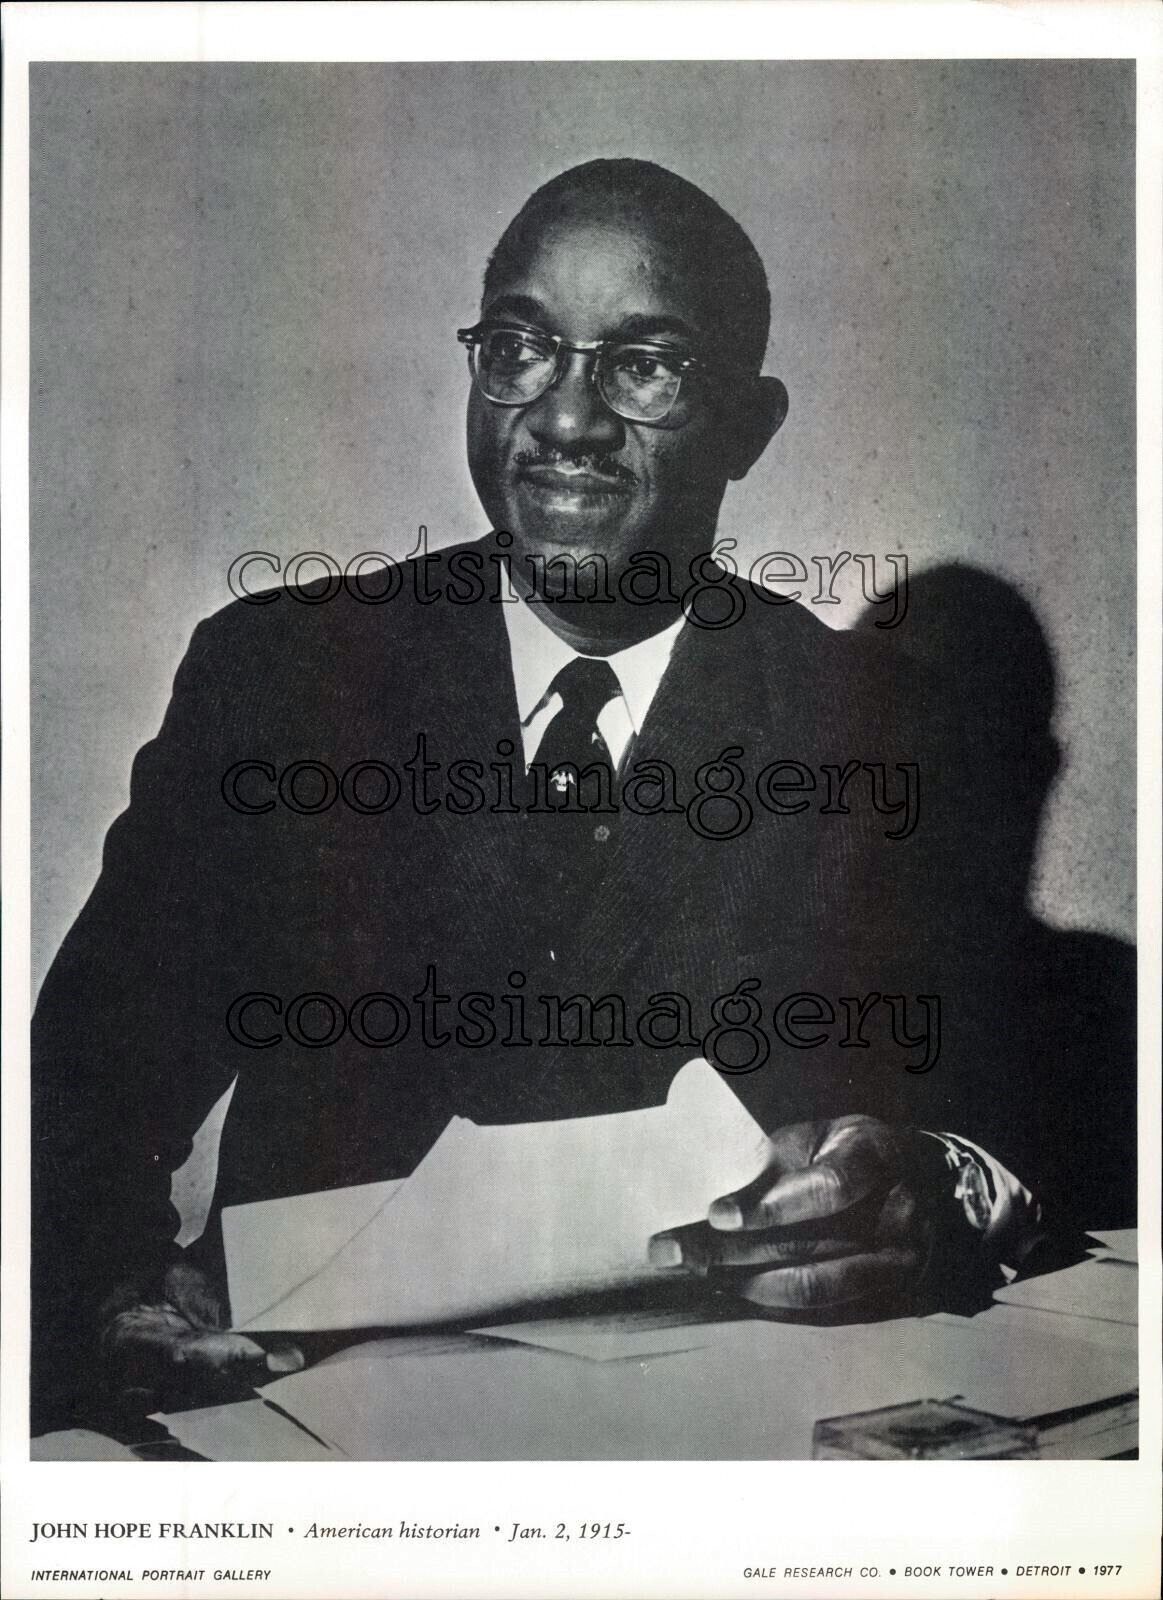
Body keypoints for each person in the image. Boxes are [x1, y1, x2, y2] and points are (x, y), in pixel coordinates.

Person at [31, 159, 1134, 1435]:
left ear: (747, 424)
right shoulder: (279, 680)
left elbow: (1002, 1112)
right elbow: (77, 1093)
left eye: (641, 364)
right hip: (306, 1424)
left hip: (723, 1435)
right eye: (519, 348)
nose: (564, 418)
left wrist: (939, 1184)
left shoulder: (867, 727)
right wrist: (107, 1286)